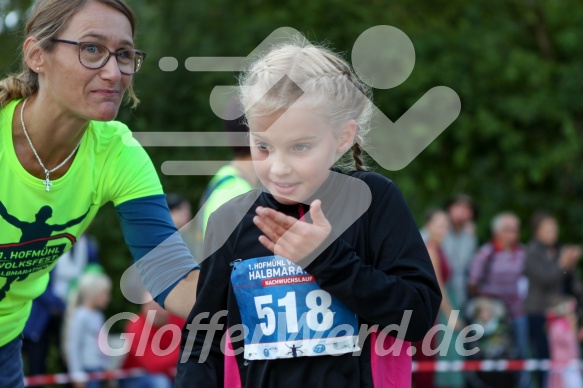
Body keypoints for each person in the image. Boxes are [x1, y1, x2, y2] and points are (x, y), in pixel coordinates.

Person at [176, 41, 441, 387]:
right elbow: (202, 342)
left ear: (343, 137)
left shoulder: (373, 201)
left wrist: (327, 259)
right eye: (263, 146)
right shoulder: (229, 221)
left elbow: (419, 315)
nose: (279, 168)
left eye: (300, 147)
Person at [0, 1, 198, 386]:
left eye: (123, 54)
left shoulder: (117, 154)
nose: (112, 72)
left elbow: (173, 279)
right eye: (92, 49)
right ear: (37, 55)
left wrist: (273, 289)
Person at [21, 234, 101, 381]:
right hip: (43, 313)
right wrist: (60, 304)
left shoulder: (89, 245)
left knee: (70, 361)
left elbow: (95, 275)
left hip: (73, 313)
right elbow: (36, 280)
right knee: (36, 364)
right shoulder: (49, 241)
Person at [468, 212, 529, 386]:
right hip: (493, 314)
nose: (513, 234)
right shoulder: (486, 253)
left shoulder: (522, 253)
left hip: (517, 311)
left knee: (520, 352)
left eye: (515, 230)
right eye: (508, 230)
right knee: (491, 354)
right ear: (497, 231)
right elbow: (472, 283)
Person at [524, 211, 582, 387]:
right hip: (540, 312)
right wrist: (563, 264)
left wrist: (570, 265)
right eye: (548, 229)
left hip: (563, 314)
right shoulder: (531, 252)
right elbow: (545, 279)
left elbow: (569, 282)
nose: (552, 233)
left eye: (554, 229)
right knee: (545, 358)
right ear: (537, 231)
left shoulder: (559, 250)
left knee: (567, 356)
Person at [421, 210, 465, 388]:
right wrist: (451, 315)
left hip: (444, 306)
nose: (443, 230)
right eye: (439, 225)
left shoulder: (438, 248)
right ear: (429, 225)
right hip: (441, 311)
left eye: (446, 226)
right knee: (445, 356)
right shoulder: (431, 249)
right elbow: (438, 287)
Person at [120, 292, 185, 388]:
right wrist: (184, 351)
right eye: (151, 305)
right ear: (143, 307)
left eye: (160, 305)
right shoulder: (136, 327)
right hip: (136, 377)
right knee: (161, 383)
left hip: (171, 375)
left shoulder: (179, 321)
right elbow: (153, 365)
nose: (156, 310)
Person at [63, 272, 112, 388]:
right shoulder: (80, 316)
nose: (108, 298)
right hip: (86, 371)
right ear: (94, 294)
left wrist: (106, 366)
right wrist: (77, 375)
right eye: (105, 294)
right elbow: (73, 346)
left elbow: (102, 344)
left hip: (98, 368)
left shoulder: (98, 315)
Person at [442, 194, 477, 309]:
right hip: (440, 292)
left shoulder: (470, 237)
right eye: (458, 206)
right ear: (449, 209)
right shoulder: (437, 231)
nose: (462, 211)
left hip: (460, 294)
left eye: (467, 208)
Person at [546, 296, 583, 388]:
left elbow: (574, 341)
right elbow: (568, 341)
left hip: (572, 365)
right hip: (562, 367)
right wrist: (572, 326)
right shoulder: (557, 326)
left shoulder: (566, 325)